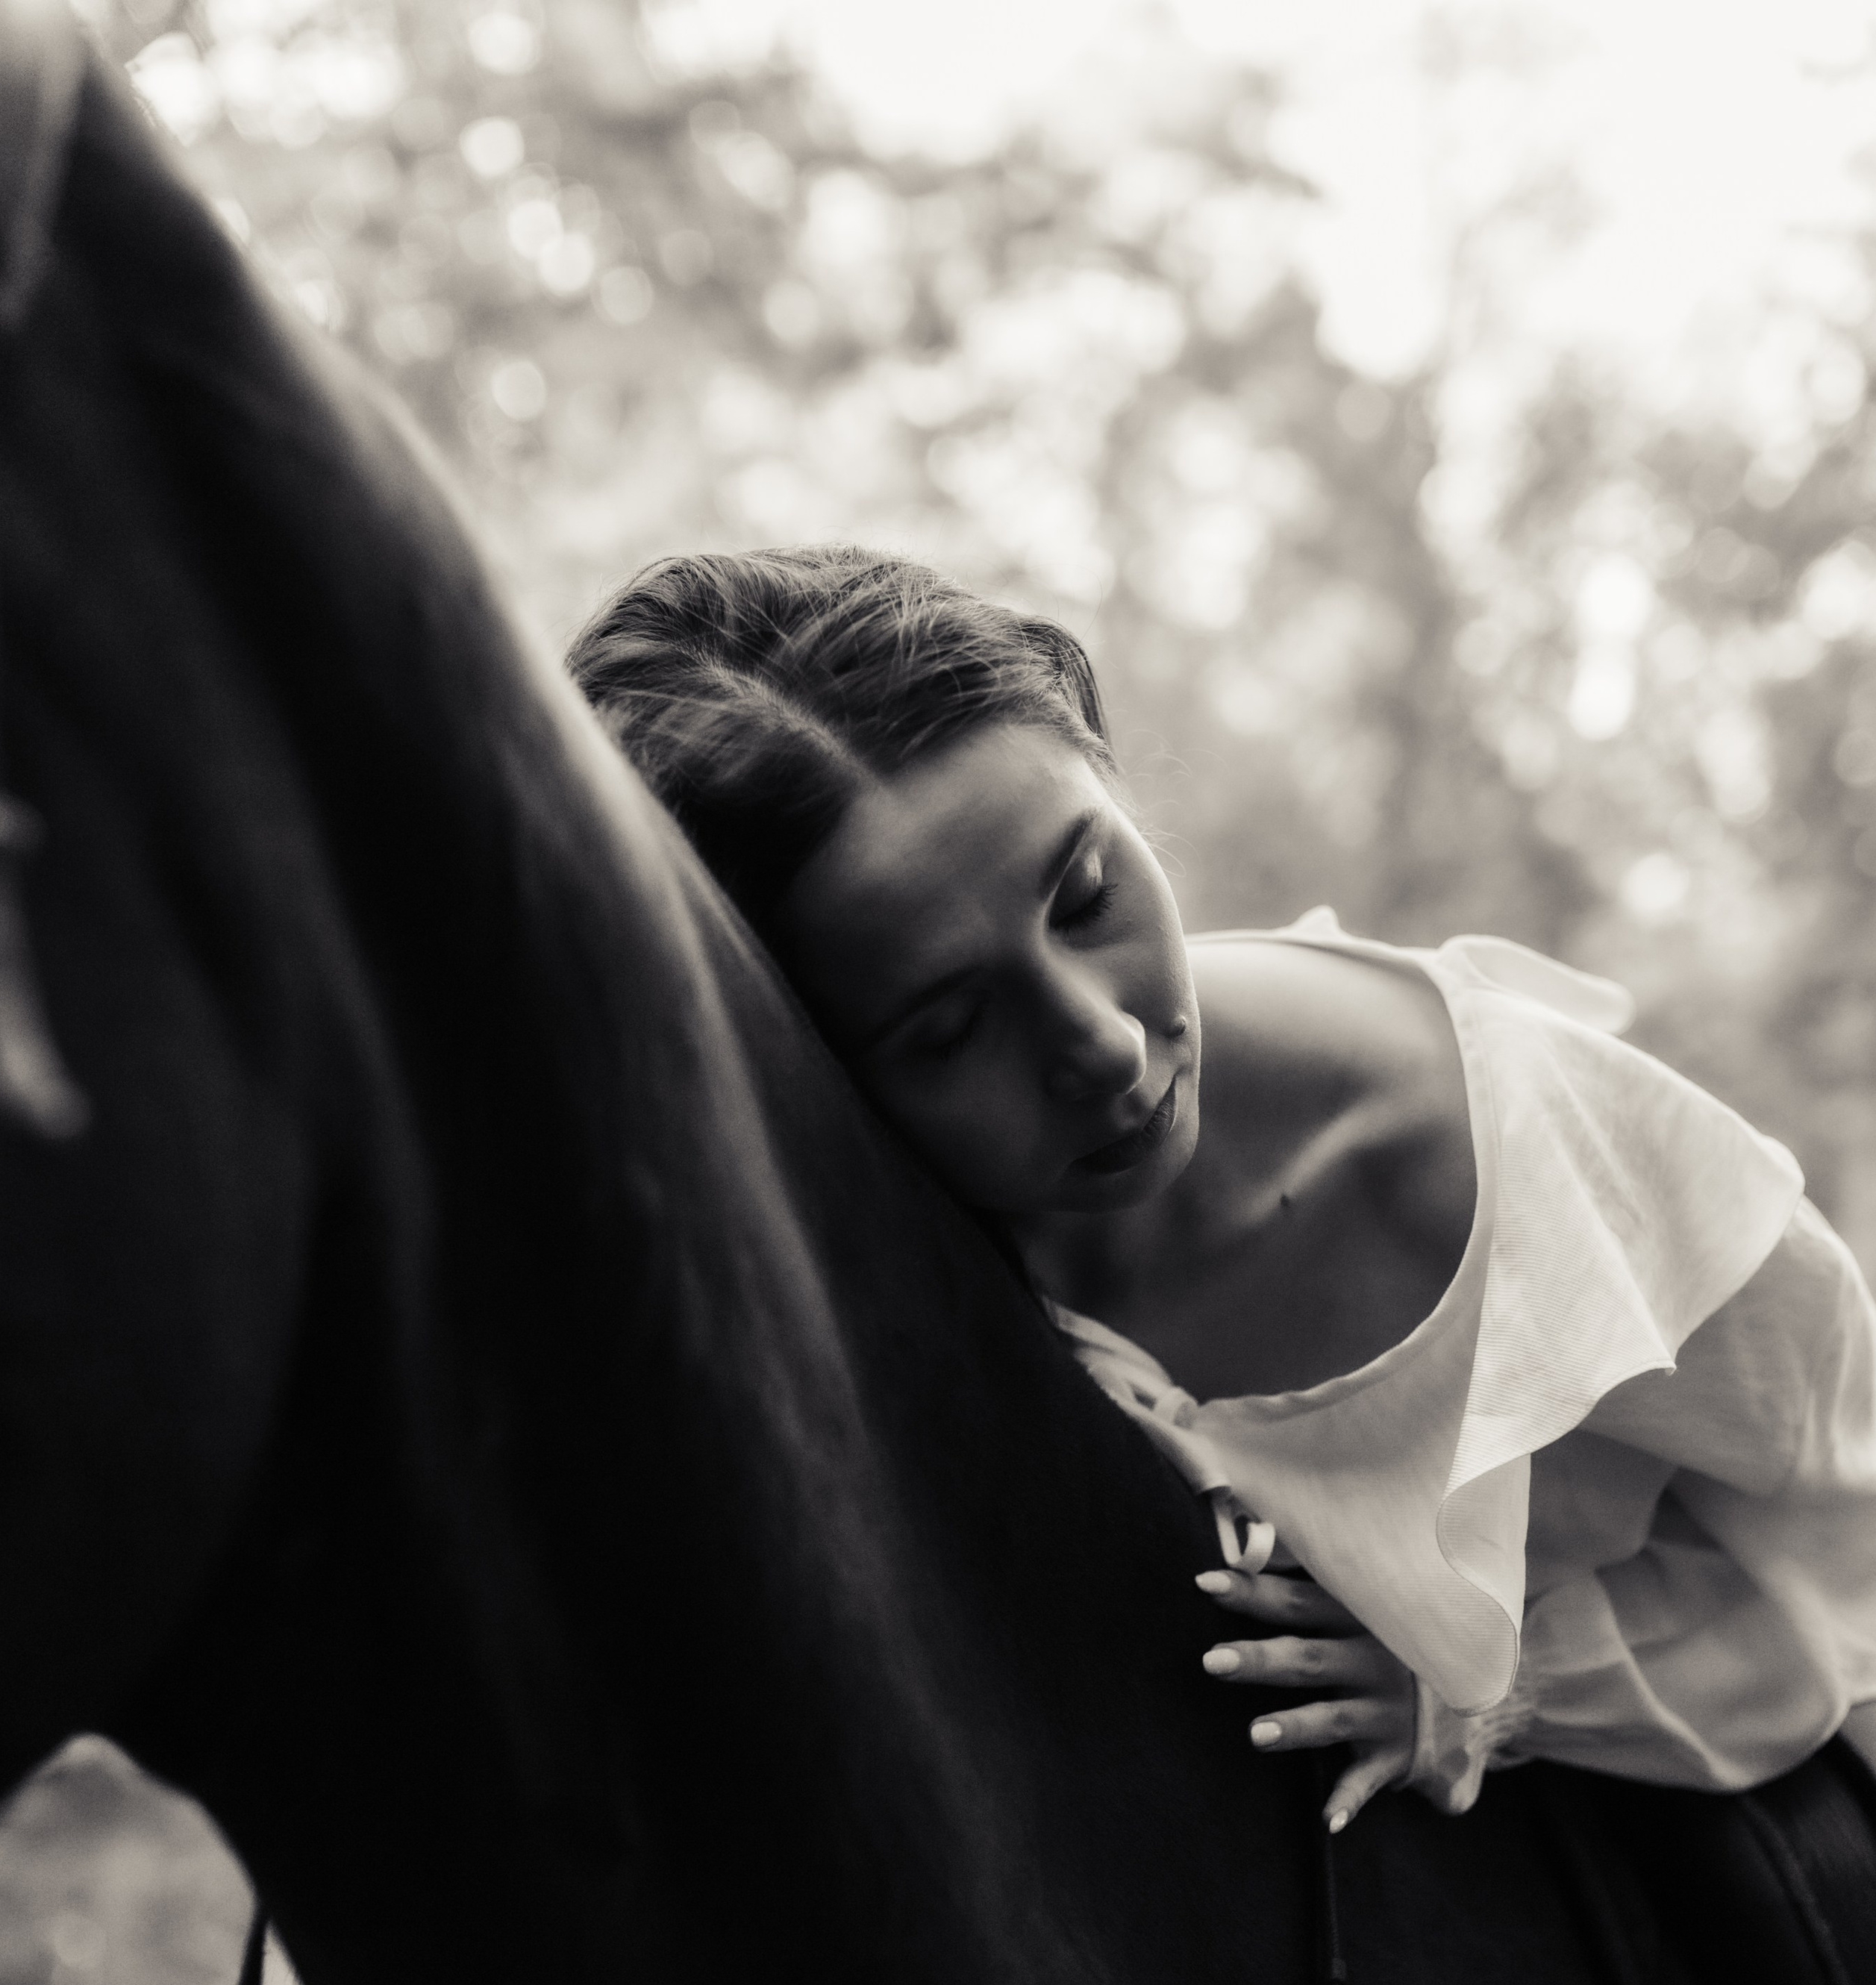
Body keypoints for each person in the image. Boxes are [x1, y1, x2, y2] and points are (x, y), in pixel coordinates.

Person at [568, 546, 1876, 1829]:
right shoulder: (829, 1267)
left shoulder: (1501, 1153)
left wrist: (1496, 1693)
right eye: (949, 1030)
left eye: (1087, 895)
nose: (1105, 1048)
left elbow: (1844, 1542)